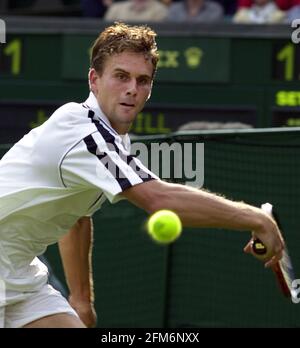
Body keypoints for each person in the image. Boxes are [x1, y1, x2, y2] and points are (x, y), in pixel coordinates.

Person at [0, 22, 284, 328]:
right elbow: (159, 199)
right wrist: (257, 218)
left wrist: (81, 300)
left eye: (143, 80)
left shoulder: (114, 140)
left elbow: (76, 217)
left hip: (18, 276)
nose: (132, 89)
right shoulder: (82, 132)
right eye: (121, 76)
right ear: (94, 80)